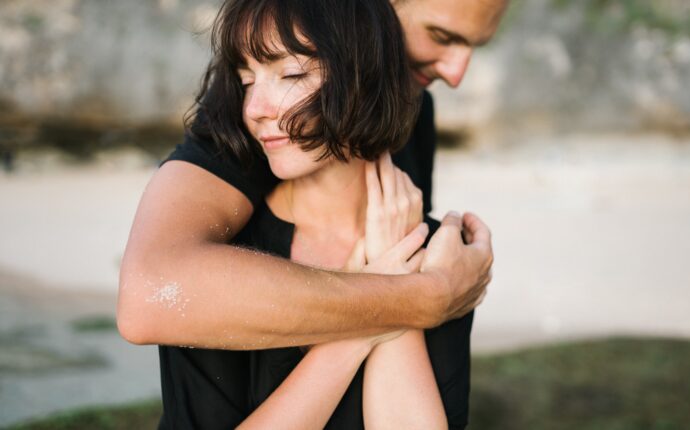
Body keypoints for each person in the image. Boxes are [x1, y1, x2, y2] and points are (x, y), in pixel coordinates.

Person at [118, 0, 507, 425]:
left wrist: (402, 268)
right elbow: (152, 294)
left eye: (291, 74)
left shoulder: (438, 252)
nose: (455, 75)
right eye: (440, 35)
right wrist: (414, 298)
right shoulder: (219, 263)